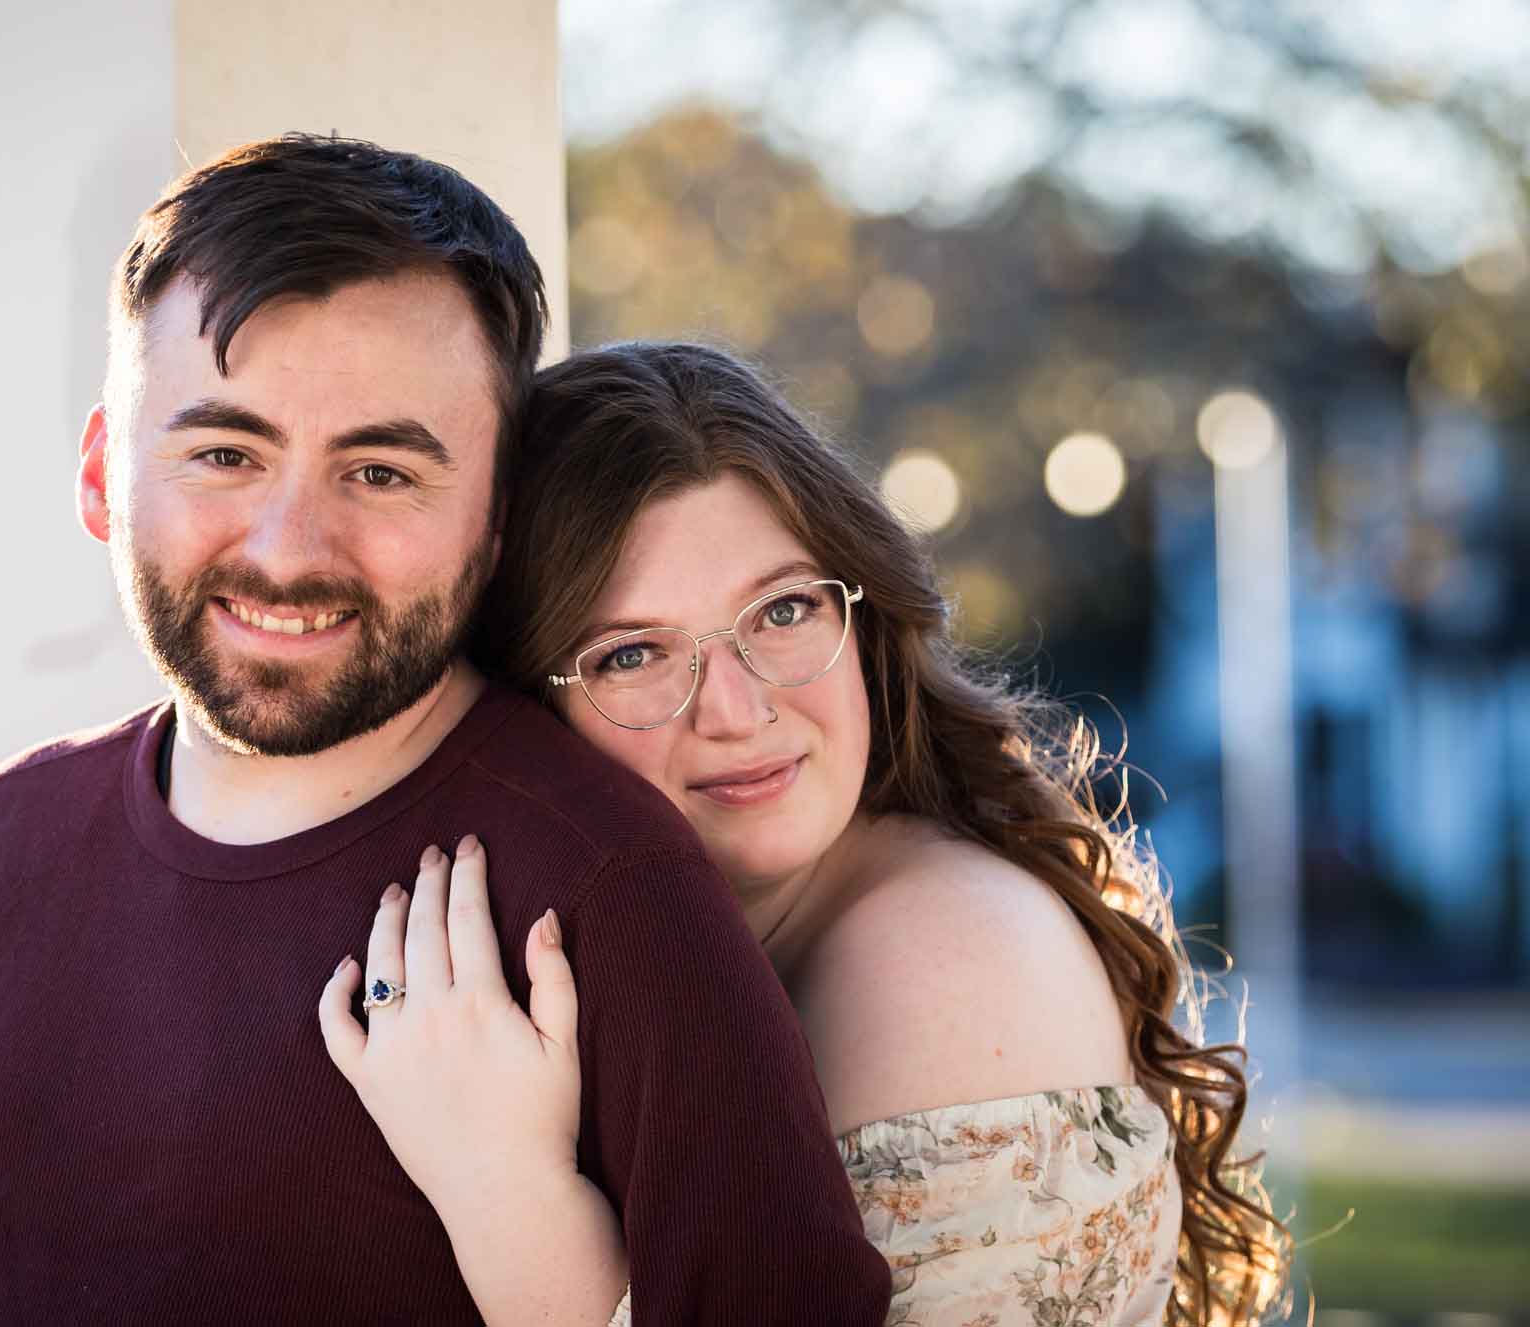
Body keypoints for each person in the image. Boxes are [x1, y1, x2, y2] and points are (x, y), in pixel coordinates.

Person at [0, 140, 891, 1325]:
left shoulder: (614, 889)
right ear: (102, 475)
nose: (289, 549)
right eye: (224, 454)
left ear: (494, 518)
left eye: (382, 472)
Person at [321, 342, 1291, 1325]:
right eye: (632, 654)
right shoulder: (673, 952)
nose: (738, 709)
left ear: (859, 615)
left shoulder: (940, 958)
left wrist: (504, 1191)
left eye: (782, 609)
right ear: (526, 707)